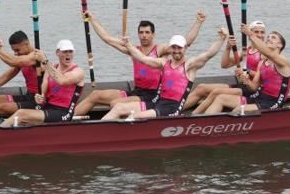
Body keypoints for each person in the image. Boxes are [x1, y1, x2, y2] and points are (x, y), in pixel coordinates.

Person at [73, 11, 206, 117]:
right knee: (96, 95)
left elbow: (185, 42)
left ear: (153, 34)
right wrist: (91, 19)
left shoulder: (160, 50)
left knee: (115, 104)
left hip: (153, 95)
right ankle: (69, 118)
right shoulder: (134, 50)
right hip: (137, 91)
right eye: (141, 32)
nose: (144, 36)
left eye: (147, 32)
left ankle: (120, 127)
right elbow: (108, 39)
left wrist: (198, 22)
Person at [101, 30, 227, 120]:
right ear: (170, 48)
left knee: (134, 116)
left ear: (185, 49)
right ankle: (98, 131)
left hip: (172, 108)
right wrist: (129, 45)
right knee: (119, 108)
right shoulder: (164, 63)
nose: (176, 51)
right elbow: (143, 58)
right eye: (174, 48)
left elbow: (209, 54)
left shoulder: (190, 66)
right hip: (157, 102)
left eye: (179, 48)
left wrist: (221, 39)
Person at [200, 25, 290, 114]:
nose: (269, 39)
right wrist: (247, 81)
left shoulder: (283, 62)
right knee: (221, 98)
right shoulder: (262, 63)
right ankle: (199, 122)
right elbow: (254, 87)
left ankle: (225, 126)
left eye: (273, 38)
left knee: (240, 109)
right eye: (269, 37)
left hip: (273, 102)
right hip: (258, 96)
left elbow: (268, 53)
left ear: (280, 45)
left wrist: (250, 34)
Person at [182, 20, 267, 111]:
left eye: (262, 32)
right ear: (249, 33)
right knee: (201, 88)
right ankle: (177, 109)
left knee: (216, 92)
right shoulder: (246, 51)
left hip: (252, 89)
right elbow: (225, 64)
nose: (259, 35)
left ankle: (194, 116)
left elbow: (263, 78)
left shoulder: (265, 53)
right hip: (242, 85)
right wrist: (228, 47)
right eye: (256, 32)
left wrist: (247, 71)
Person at [6, 40, 85, 125]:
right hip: (48, 107)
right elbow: (43, 95)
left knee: (21, 114)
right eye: (65, 51)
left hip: (64, 113)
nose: (68, 54)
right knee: (20, 118)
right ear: (57, 52)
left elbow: (62, 81)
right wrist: (39, 97)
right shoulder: (50, 69)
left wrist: (45, 61)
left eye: (70, 51)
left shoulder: (78, 72)